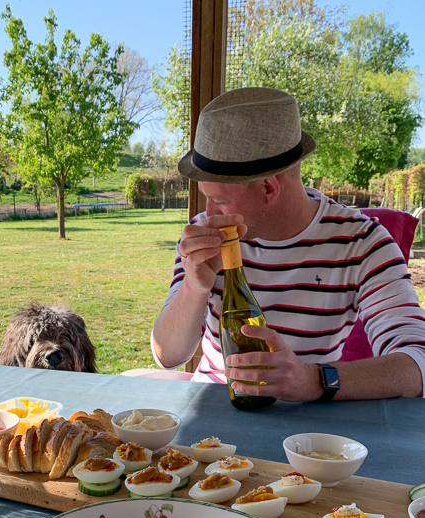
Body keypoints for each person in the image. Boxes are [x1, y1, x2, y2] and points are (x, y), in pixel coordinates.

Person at [151, 88, 425, 401]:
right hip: (212, 413)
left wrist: (314, 380)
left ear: (269, 188)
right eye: (206, 198)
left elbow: (417, 365)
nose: (209, 214)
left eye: (220, 200)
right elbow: (168, 355)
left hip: (307, 424)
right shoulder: (202, 235)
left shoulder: (362, 243)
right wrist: (194, 287)